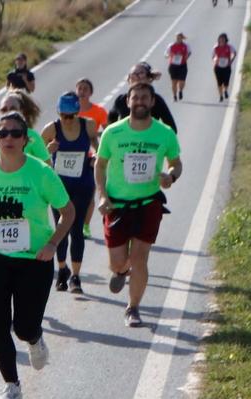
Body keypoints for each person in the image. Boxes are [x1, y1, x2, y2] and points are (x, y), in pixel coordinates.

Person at [0, 109, 74, 399]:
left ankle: (35, 338)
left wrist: (53, 243)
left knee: (24, 326)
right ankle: (12, 385)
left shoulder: (41, 172)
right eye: (3, 134)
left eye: (16, 133)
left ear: (26, 140)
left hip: (34, 259)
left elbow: (68, 212)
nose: (9, 138)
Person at [97, 81, 183, 328]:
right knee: (117, 261)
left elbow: (176, 163)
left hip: (148, 204)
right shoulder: (113, 133)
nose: (140, 102)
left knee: (140, 258)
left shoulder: (164, 133)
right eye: (136, 98)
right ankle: (120, 271)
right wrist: (102, 195)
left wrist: (171, 176)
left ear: (152, 102)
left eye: (145, 97)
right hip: (117, 205)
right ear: (128, 101)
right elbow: (100, 165)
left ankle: (133, 307)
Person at [43, 90, 97, 294]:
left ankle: (76, 276)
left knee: (77, 230)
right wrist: (48, 149)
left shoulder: (88, 125)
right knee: (61, 230)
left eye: (71, 115)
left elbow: (97, 147)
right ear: (58, 113)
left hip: (82, 183)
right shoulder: (51, 128)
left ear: (77, 112)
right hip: (59, 186)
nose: (67, 119)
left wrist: (95, 156)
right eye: (63, 115)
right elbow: (35, 154)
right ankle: (62, 269)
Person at [0, 92, 51, 166]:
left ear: (22, 111)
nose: (8, 113)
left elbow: (47, 165)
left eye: (13, 109)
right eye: (4, 110)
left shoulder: (33, 137)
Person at [107, 62, 177, 132]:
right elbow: (111, 120)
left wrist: (156, 138)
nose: (137, 77)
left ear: (149, 79)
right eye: (133, 74)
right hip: (126, 141)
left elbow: (172, 129)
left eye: (141, 74)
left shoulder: (157, 100)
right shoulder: (121, 100)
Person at [212, 33, 236, 100]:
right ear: (218, 40)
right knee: (219, 82)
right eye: (220, 39)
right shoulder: (216, 47)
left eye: (223, 39)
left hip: (227, 67)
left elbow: (234, 53)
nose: (222, 40)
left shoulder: (229, 47)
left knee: (226, 81)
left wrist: (231, 61)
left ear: (226, 40)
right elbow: (213, 56)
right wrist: (215, 61)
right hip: (218, 67)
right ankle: (221, 96)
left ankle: (225, 90)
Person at [167, 33, 191, 100]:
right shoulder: (171, 45)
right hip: (173, 66)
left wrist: (186, 57)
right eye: (177, 38)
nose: (178, 39)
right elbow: (166, 54)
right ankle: (174, 96)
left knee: (182, 81)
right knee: (174, 82)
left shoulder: (186, 46)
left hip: (182, 65)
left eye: (180, 38)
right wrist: (169, 56)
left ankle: (180, 91)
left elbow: (189, 52)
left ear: (182, 38)